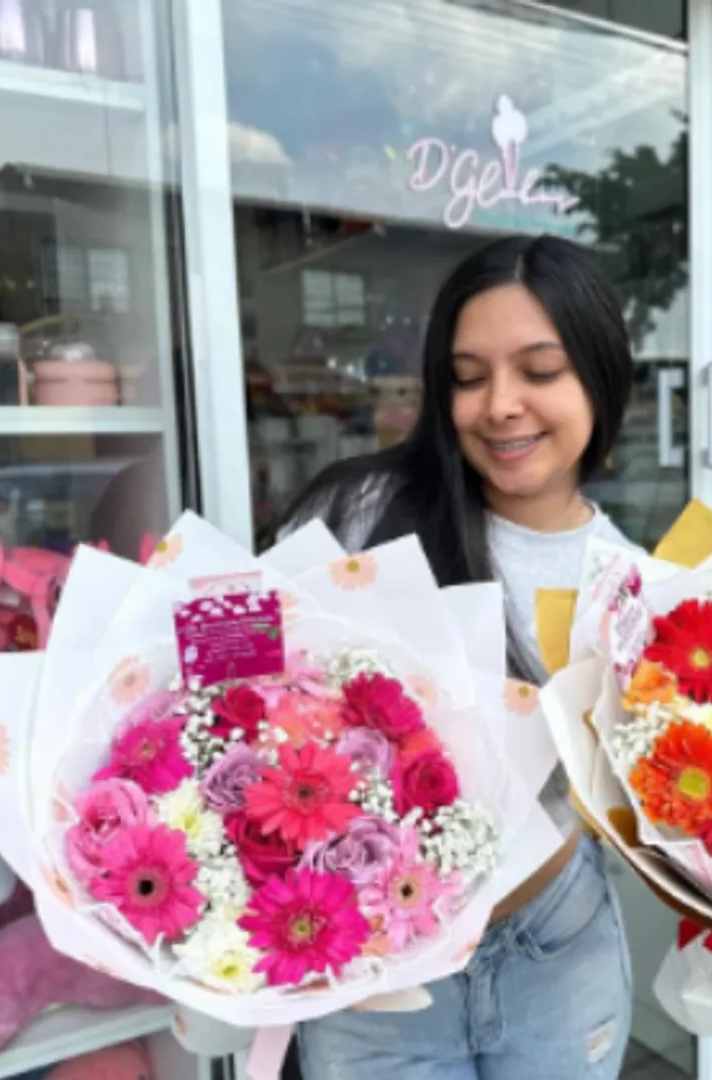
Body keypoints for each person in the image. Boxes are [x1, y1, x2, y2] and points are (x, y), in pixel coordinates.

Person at [281, 234, 636, 1080]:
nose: (500, 405)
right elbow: (232, 689)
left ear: (599, 374)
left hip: (558, 941)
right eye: (469, 378)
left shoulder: (630, 579)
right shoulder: (360, 512)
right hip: (376, 970)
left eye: (539, 371)